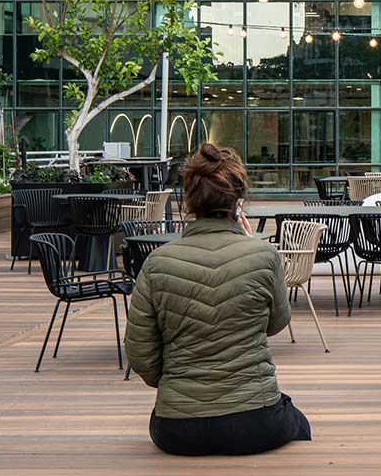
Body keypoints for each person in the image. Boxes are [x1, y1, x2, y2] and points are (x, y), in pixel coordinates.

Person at [125, 143, 311, 456]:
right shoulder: (264, 255)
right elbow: (278, 322)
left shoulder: (157, 263)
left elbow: (140, 352)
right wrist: (249, 245)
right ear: (238, 203)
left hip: (177, 429)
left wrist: (176, 383)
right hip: (256, 420)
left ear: (189, 200)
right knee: (300, 424)